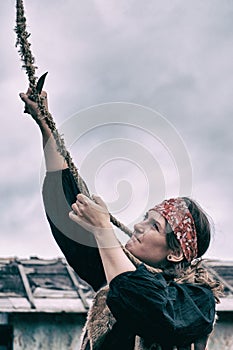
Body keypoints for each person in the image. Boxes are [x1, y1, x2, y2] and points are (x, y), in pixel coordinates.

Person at [19, 89, 221, 350]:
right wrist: (45, 124)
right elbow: (65, 206)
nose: (138, 226)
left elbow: (147, 306)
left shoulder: (196, 300)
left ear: (174, 253)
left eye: (154, 226)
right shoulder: (112, 269)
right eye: (146, 218)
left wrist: (104, 230)